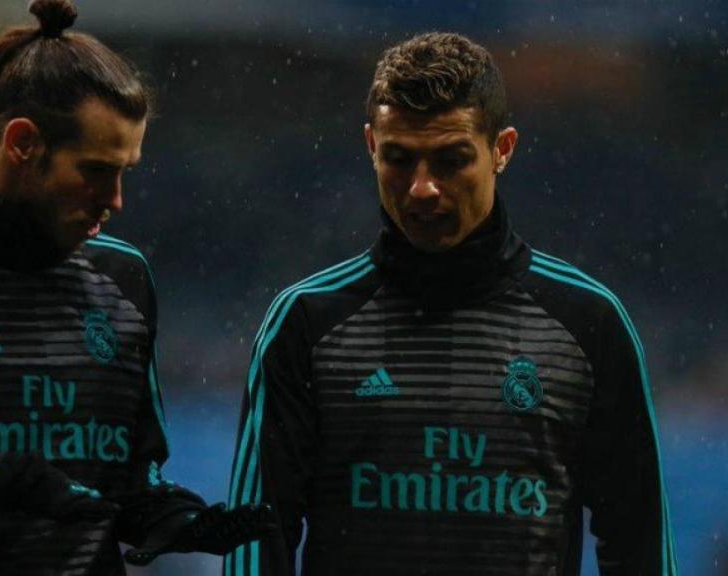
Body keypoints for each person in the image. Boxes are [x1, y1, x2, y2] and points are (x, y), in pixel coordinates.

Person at [0, 1, 272, 574]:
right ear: (21, 144)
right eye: (95, 170)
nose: (115, 200)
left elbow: (131, 472)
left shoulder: (124, 278)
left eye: (125, 171)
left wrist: (169, 514)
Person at [225, 32, 677, 575]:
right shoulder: (305, 321)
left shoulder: (589, 322)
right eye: (399, 158)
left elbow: (638, 544)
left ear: (502, 150)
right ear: (371, 147)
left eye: (450, 160)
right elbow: (257, 539)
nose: (422, 188)